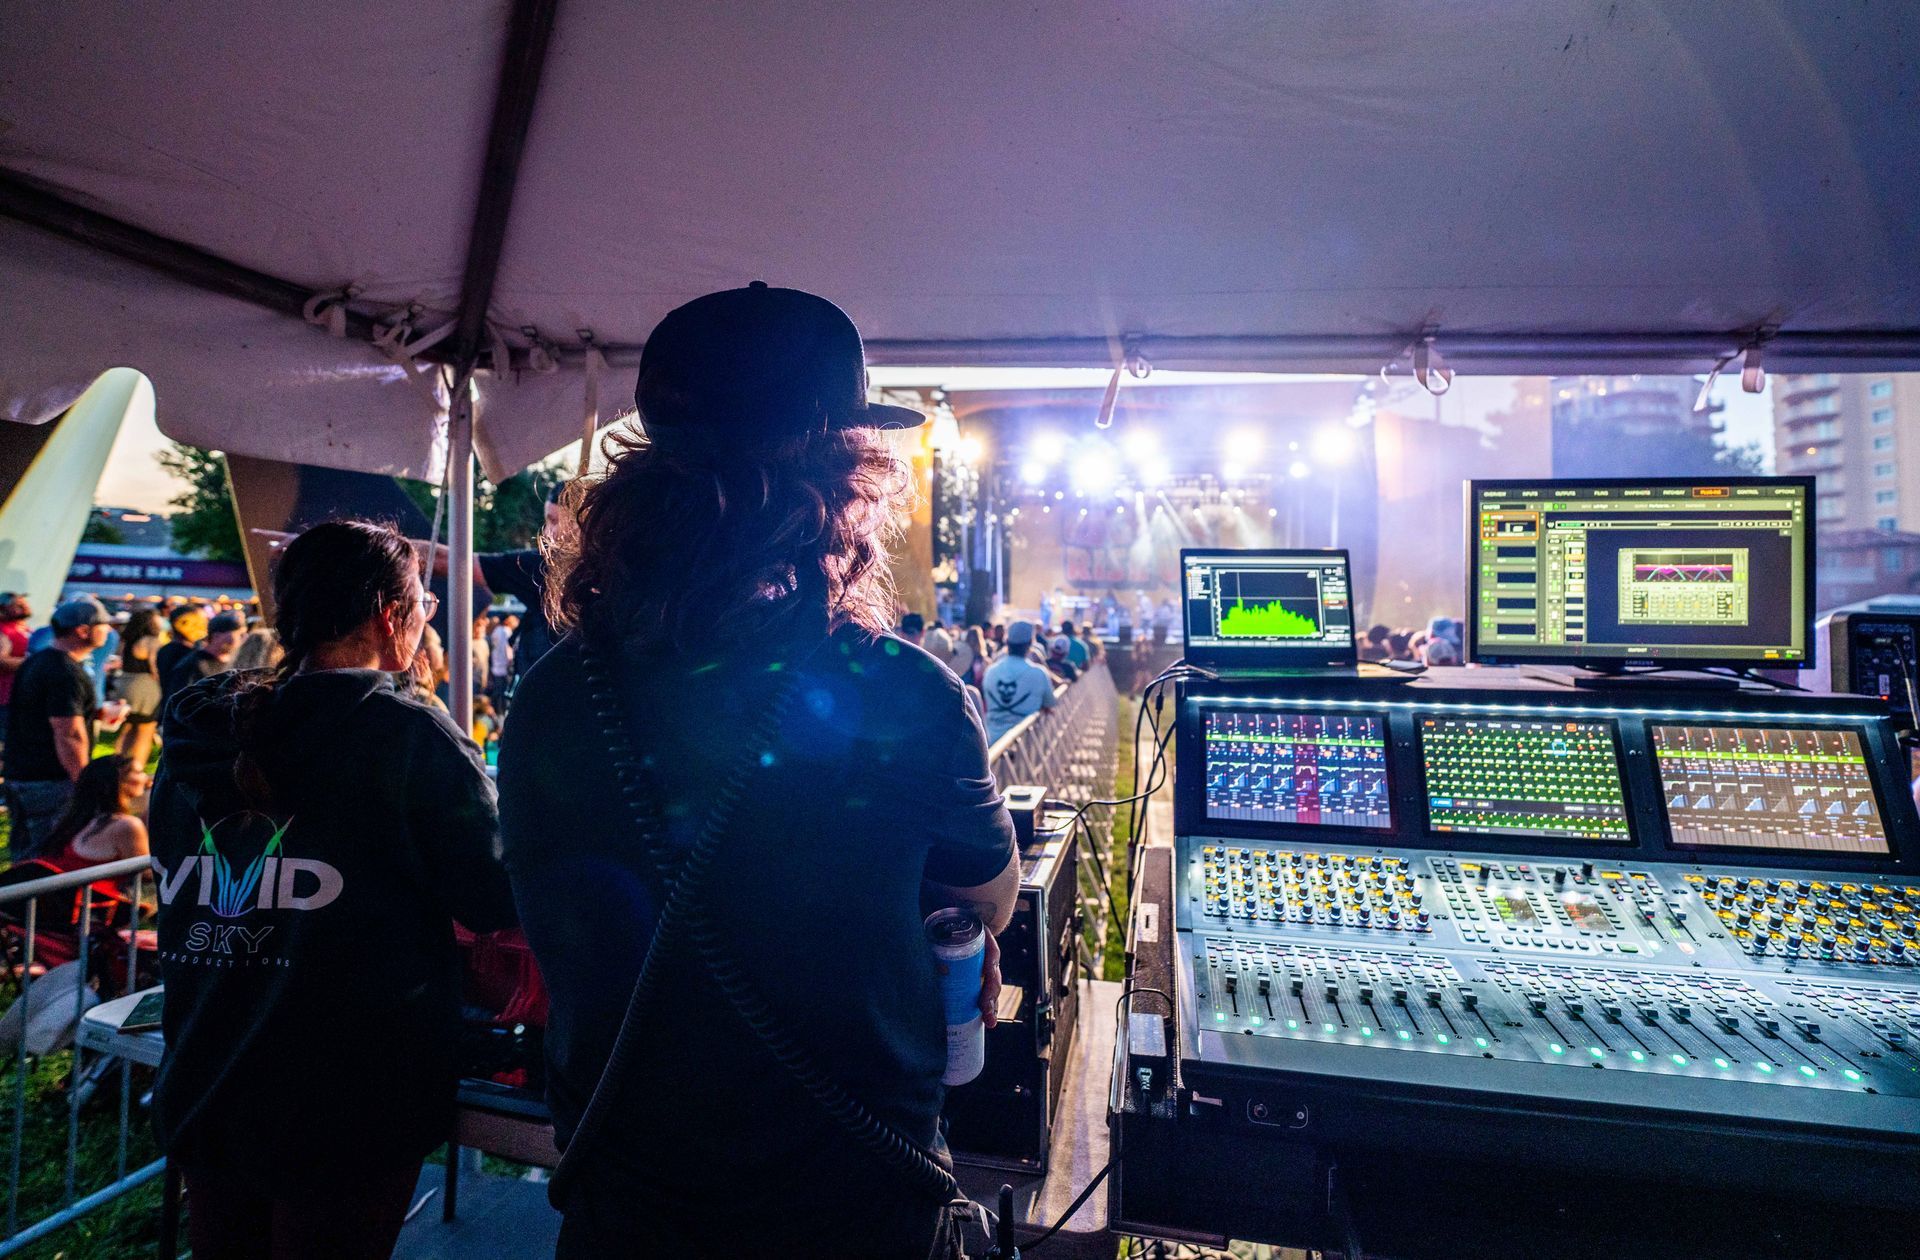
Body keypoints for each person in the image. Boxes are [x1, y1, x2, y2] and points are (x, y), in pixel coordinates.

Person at [499, 283, 1017, 1257]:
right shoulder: (904, 693)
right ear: (848, 475)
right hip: (859, 1218)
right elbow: (983, 905)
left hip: (627, 1218)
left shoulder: (554, 695)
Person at [149, 519, 515, 1260]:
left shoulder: (198, 729)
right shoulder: (407, 734)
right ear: (392, 612)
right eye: (423, 602)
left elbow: (174, 868)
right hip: (349, 1093)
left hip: (208, 1065)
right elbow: (494, 895)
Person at [3, 599, 128, 858]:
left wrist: (100, 712)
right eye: (103, 625)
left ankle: (17, 898)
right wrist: (84, 783)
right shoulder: (65, 672)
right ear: (83, 631)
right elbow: (68, 733)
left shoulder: (37, 661)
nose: (108, 631)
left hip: (22, 773)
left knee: (24, 856)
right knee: (47, 855)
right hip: (50, 781)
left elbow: (40, 712)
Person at [38, 753, 149, 871]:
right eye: (139, 772)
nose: (147, 778)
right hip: (92, 889)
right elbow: (148, 874)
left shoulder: (77, 822)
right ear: (119, 780)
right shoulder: (127, 825)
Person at [981, 621, 1059, 744]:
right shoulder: (1039, 673)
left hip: (992, 743)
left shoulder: (990, 671)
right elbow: (1051, 702)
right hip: (1026, 745)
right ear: (1030, 644)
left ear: (1007, 642)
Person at [111, 607, 165, 767]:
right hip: (145, 688)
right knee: (144, 732)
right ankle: (135, 770)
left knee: (126, 730)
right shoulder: (151, 641)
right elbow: (155, 669)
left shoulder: (126, 640)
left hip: (124, 684)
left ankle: (118, 768)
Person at [163, 609, 244, 699]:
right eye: (239, 634)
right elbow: (180, 703)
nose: (245, 638)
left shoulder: (236, 663)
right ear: (217, 636)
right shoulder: (192, 665)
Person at [154, 604, 207, 712]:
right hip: (179, 711)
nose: (204, 626)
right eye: (198, 622)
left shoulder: (167, 649)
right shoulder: (184, 653)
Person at [0, 592, 30, 736]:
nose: (25, 606)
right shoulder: (3, 631)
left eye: (24, 602)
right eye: (18, 604)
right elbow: (1, 660)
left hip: (21, 696)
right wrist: (35, 662)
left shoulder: (26, 630)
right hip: (4, 698)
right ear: (4, 607)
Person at [488, 614, 515, 707]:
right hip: (504, 666)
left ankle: (497, 708)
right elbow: (508, 649)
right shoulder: (506, 631)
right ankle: (501, 710)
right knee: (504, 692)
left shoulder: (495, 631)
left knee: (497, 691)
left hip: (496, 665)